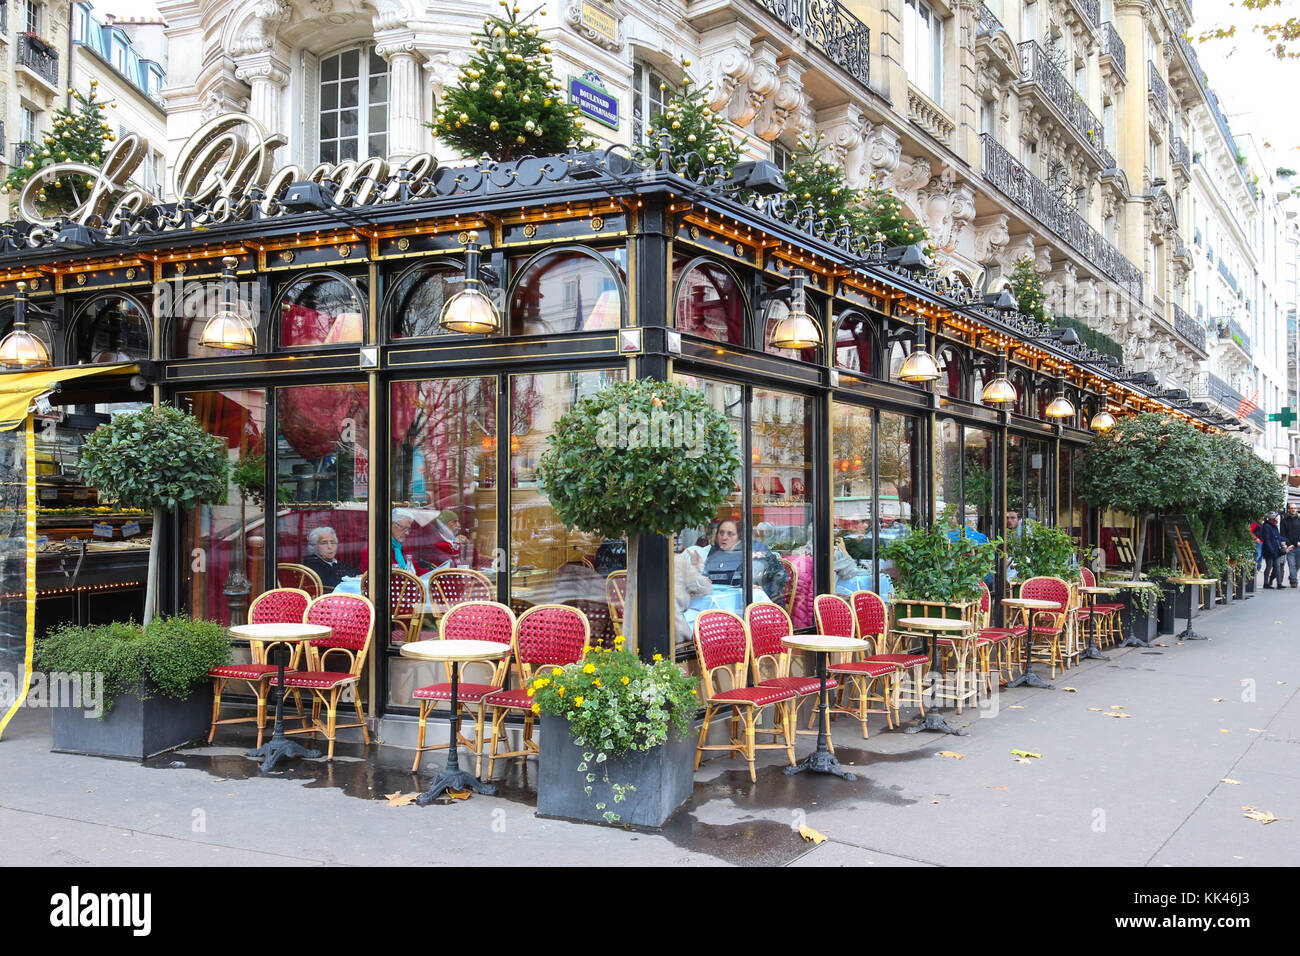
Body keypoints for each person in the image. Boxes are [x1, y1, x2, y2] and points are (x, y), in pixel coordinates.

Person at [702, 519, 788, 600]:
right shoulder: (715, 551)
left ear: (740, 537)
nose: (724, 537)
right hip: (721, 601)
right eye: (721, 533)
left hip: (754, 604)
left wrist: (764, 590)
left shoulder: (756, 550)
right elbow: (708, 575)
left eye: (730, 534)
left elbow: (781, 576)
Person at [303, 526, 361, 590]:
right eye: (324, 543)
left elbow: (359, 575)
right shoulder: (311, 565)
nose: (330, 547)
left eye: (333, 542)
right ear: (314, 546)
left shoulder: (340, 564)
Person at [1259, 513, 1290, 589]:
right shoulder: (1267, 527)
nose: (1277, 518)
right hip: (1270, 550)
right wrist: (1271, 550)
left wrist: (1286, 540)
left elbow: (1278, 537)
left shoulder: (1274, 526)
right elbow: (1267, 539)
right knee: (1269, 566)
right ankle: (1266, 583)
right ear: (1272, 518)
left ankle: (1279, 583)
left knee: (1277, 566)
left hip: (1276, 550)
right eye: (1276, 517)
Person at [1280, 503, 1300, 587]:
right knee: (1291, 564)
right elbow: (1283, 534)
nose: (1293, 509)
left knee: (1298, 564)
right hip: (1290, 546)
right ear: (1288, 509)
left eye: (1295, 508)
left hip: (1299, 546)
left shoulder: (1299, 519)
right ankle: (1294, 580)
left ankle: (1292, 576)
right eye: (1291, 508)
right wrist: (1286, 545)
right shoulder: (1284, 520)